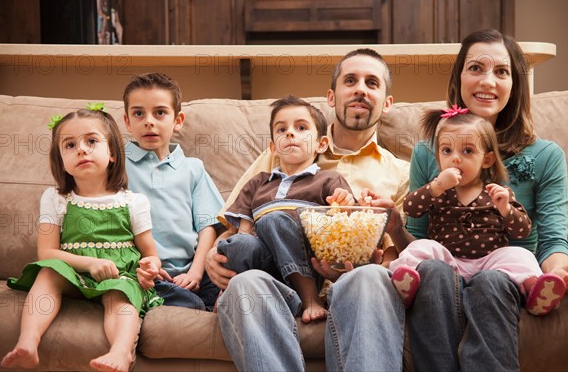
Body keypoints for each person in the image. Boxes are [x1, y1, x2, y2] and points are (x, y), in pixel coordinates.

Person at [206, 48, 413, 371]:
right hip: (277, 280)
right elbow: (236, 223)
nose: (360, 88)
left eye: (372, 82)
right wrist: (211, 256)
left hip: (354, 282)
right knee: (243, 285)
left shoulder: (402, 172)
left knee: (372, 277)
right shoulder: (284, 152)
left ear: (386, 103)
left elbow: (396, 258)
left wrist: (369, 258)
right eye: (351, 80)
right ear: (331, 96)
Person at [401, 29, 568, 371]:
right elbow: (415, 231)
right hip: (443, 275)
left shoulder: (546, 155)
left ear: (514, 84)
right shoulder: (427, 152)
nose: (487, 81)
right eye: (476, 68)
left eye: (501, 72)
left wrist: (565, 272)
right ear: (459, 77)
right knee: (431, 268)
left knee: (491, 281)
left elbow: (551, 239)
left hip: (504, 276)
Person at [1, 106, 162, 372]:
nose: (81, 149)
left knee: (119, 296)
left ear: (111, 153)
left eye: (91, 141)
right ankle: (27, 343)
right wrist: (88, 264)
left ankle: (121, 353)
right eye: (70, 145)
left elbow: (150, 253)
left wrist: (150, 267)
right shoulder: (55, 199)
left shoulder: (134, 202)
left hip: (118, 276)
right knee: (48, 273)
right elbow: (46, 253)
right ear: (60, 159)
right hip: (73, 274)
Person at [389, 110, 566, 316]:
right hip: (447, 263)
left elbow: (522, 231)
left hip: (489, 265)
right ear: (438, 157)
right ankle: (405, 281)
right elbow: (411, 209)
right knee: (422, 246)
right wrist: (436, 185)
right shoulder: (437, 190)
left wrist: (506, 209)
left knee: (521, 255)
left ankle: (534, 290)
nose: (455, 159)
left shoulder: (498, 193)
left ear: (487, 160)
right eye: (447, 151)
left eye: (467, 151)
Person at [217, 95, 355, 323]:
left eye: (301, 128)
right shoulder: (258, 182)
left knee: (274, 220)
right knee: (237, 243)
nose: (290, 133)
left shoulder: (328, 179)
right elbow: (244, 229)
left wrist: (344, 201)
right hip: (265, 260)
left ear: (321, 144)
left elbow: (347, 221)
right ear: (273, 148)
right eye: (282, 130)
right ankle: (244, 295)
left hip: (305, 257)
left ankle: (309, 297)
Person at [123, 72, 223, 311]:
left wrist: (197, 272)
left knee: (235, 281)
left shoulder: (193, 168)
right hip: (148, 274)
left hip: (195, 269)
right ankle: (197, 306)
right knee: (190, 304)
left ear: (177, 120)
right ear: (127, 121)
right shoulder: (116, 165)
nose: (149, 121)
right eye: (138, 113)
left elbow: (207, 226)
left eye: (160, 113)